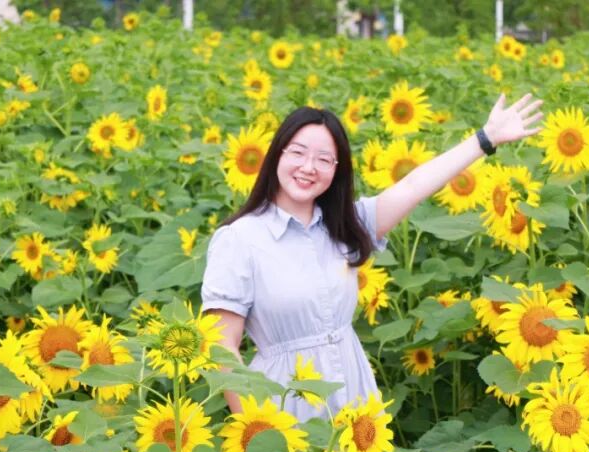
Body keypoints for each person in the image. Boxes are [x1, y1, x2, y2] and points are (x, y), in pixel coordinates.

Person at [201, 95, 543, 423]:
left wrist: (485, 139)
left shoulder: (345, 226)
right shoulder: (240, 240)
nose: (308, 167)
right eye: (298, 153)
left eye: (324, 159)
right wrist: (255, 428)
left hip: (354, 398)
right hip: (285, 404)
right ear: (277, 154)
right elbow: (222, 345)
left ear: (337, 170)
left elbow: (413, 186)